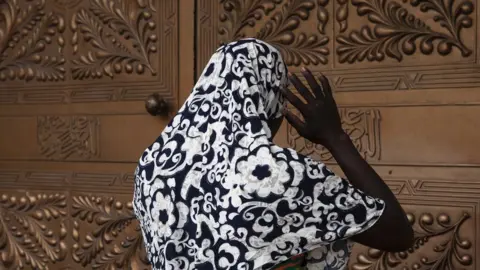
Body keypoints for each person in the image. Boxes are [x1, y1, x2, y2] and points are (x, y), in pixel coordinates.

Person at [133, 38, 413, 270]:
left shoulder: (151, 168)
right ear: (266, 100)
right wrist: (335, 137)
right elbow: (397, 233)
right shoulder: (273, 174)